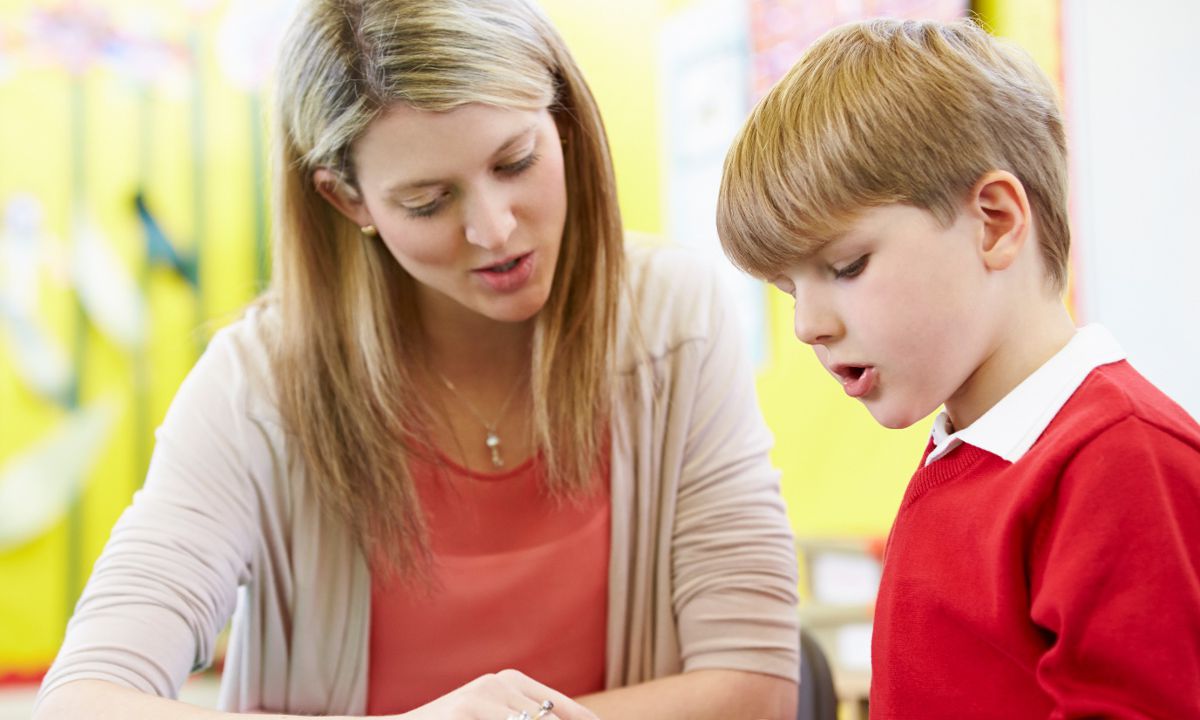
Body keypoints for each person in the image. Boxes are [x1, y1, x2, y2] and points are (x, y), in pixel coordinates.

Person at [33, 1, 801, 718]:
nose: (495, 230)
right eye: (428, 202)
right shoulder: (258, 385)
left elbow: (753, 684)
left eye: (515, 162)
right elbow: (84, 701)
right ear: (347, 200)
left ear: (561, 121)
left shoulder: (675, 321)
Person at [716, 17, 1200, 719]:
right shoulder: (965, 457)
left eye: (845, 266)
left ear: (995, 222)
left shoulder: (1122, 459)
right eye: (790, 290)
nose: (807, 325)